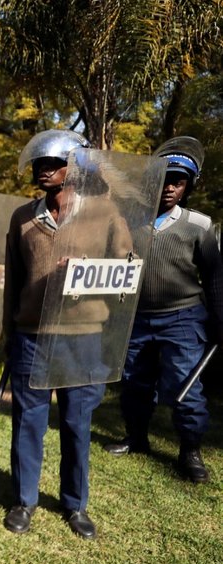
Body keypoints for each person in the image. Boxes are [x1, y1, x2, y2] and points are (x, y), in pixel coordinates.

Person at [2, 129, 130, 540]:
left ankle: (75, 504)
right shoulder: (22, 218)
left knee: (77, 421)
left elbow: (127, 271)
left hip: (84, 336)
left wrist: (85, 271)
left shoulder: (105, 212)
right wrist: (9, 331)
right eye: (39, 164)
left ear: (73, 168)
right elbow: (13, 280)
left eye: (53, 163)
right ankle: (23, 500)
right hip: (33, 336)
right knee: (28, 421)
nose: (44, 170)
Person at [105, 137, 223, 483]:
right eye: (165, 178)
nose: (170, 187)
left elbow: (215, 275)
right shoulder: (129, 220)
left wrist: (219, 318)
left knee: (185, 384)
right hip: (136, 318)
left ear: (188, 186)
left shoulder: (199, 225)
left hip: (184, 318)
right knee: (134, 381)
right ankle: (136, 437)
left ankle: (190, 450)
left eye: (179, 181)